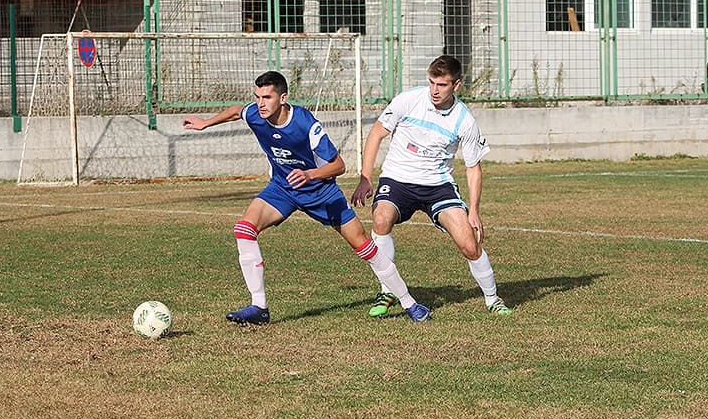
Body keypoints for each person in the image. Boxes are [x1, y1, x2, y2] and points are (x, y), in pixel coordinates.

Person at [183, 71, 431, 324]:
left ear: (283, 98)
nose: (260, 103)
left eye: (267, 97)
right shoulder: (256, 114)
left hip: (321, 193)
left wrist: (310, 174)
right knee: (244, 229)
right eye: (257, 97)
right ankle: (259, 307)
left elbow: (338, 165)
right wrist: (205, 122)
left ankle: (410, 303)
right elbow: (237, 111)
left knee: (364, 246)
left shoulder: (305, 124)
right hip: (283, 189)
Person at [350, 55, 512, 317]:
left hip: (437, 186)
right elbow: (377, 133)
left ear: (456, 85)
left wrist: (474, 211)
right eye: (432, 82)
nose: (435, 90)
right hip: (398, 179)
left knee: (469, 243)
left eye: (442, 85)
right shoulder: (409, 100)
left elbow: (473, 168)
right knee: (381, 218)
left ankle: (493, 299)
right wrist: (366, 178)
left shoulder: (464, 120)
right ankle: (388, 289)